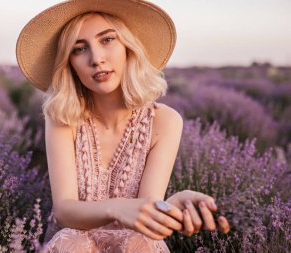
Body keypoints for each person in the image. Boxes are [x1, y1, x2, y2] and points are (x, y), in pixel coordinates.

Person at [16, 0, 230, 252]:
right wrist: (115, 207)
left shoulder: (165, 121)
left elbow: (147, 209)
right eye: (79, 49)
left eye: (107, 40)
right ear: (69, 64)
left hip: (135, 243)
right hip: (75, 245)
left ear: (129, 47)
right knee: (74, 241)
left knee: (143, 242)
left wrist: (171, 207)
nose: (96, 59)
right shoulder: (63, 118)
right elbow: (64, 211)